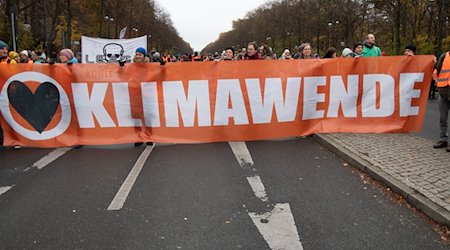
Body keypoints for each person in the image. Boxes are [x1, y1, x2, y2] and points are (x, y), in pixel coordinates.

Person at [432, 49, 450, 151]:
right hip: (443, 92)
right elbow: (436, 71)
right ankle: (443, 139)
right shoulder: (444, 56)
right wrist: (438, 82)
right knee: (443, 118)